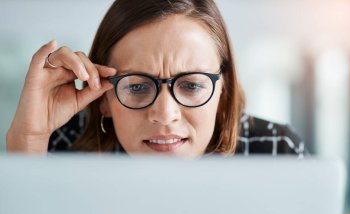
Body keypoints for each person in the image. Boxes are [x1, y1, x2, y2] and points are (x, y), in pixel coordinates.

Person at [6, 0, 306, 157]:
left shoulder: (274, 149)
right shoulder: (61, 146)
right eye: (136, 86)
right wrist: (30, 139)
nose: (164, 115)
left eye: (191, 85)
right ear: (104, 99)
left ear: (222, 92)